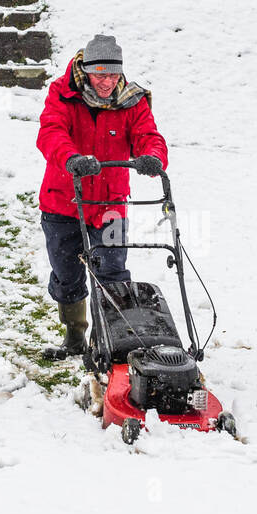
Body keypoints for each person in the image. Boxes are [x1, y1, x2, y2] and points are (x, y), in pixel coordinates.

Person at [36, 34, 168, 360]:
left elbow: (148, 136)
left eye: (113, 75)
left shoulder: (131, 101)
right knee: (66, 274)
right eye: (100, 75)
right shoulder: (63, 95)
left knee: (112, 273)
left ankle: (109, 340)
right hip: (62, 202)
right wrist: (71, 159)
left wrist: (152, 157)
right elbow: (50, 132)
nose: (107, 82)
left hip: (109, 205)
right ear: (87, 69)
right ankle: (75, 336)